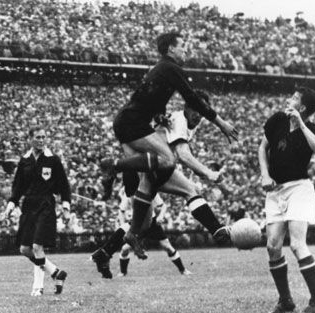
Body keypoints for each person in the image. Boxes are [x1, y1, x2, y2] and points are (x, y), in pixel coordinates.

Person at [99, 32, 238, 257]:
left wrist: (159, 114)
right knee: (167, 159)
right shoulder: (172, 69)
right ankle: (114, 166)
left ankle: (117, 245)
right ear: (171, 49)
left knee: (144, 202)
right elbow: (192, 98)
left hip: (128, 122)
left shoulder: (161, 70)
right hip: (132, 123)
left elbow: (150, 96)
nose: (185, 50)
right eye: (182, 46)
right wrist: (220, 123)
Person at [92, 91, 222, 275]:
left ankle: (104, 253)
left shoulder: (186, 123)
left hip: (148, 167)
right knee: (187, 189)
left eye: (203, 111)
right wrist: (208, 173)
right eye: (196, 109)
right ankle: (218, 231)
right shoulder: (179, 120)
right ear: (186, 107)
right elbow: (183, 155)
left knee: (144, 224)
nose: (199, 114)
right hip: (143, 168)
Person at [258, 87, 315, 313]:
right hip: (276, 189)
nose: (288, 99)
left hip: (299, 188)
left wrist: (300, 123)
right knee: (273, 246)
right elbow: (263, 147)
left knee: (297, 243)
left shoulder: (313, 129)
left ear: (302, 107)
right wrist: (265, 174)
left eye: (294, 98)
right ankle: (286, 300)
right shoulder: (278, 120)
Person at [3, 126, 70, 296]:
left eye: (43, 137)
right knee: (25, 250)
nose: (41, 140)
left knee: (37, 246)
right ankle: (56, 273)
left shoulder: (53, 160)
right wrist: (11, 205)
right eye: (38, 137)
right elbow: (17, 187)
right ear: (30, 139)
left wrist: (66, 207)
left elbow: (64, 185)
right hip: (28, 206)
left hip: (46, 204)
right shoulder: (24, 160)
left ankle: (38, 288)